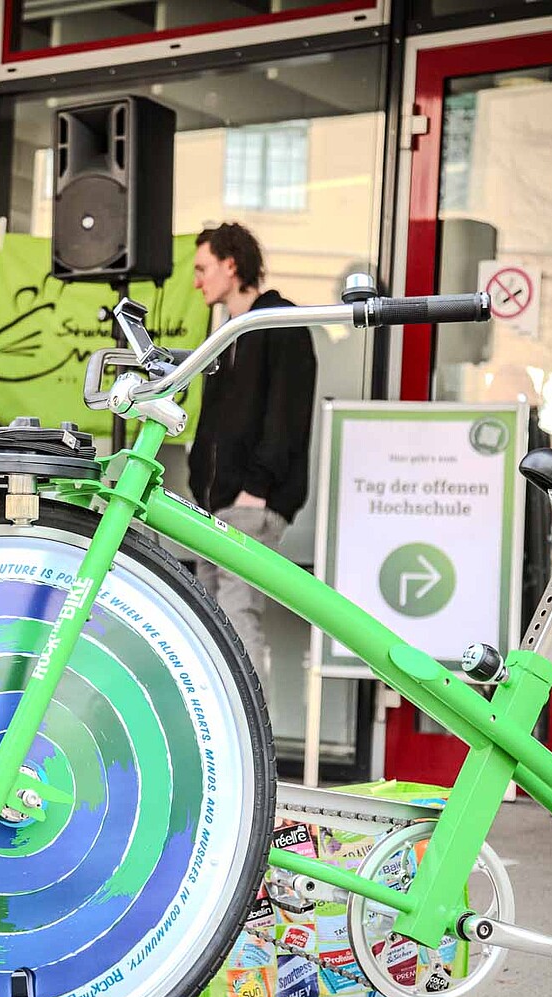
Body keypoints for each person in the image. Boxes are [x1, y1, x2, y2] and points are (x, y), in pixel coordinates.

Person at [186, 222, 317, 685]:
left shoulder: (278, 323)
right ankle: (217, 720)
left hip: (249, 503)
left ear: (230, 264)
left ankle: (248, 724)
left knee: (236, 615)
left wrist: (256, 490)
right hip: (215, 506)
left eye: (202, 269)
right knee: (208, 621)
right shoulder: (230, 333)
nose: (196, 282)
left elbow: (287, 413)